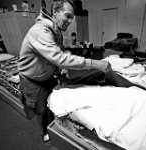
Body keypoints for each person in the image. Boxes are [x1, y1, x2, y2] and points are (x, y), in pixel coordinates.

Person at [18, 0, 111, 146]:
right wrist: (95, 63)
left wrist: (60, 62)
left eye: (71, 18)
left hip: (47, 73)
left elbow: (56, 52)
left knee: (52, 101)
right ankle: (44, 132)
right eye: (67, 16)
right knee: (40, 109)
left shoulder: (56, 31)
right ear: (55, 12)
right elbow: (59, 58)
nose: (69, 21)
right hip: (32, 79)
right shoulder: (40, 31)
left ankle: (52, 124)